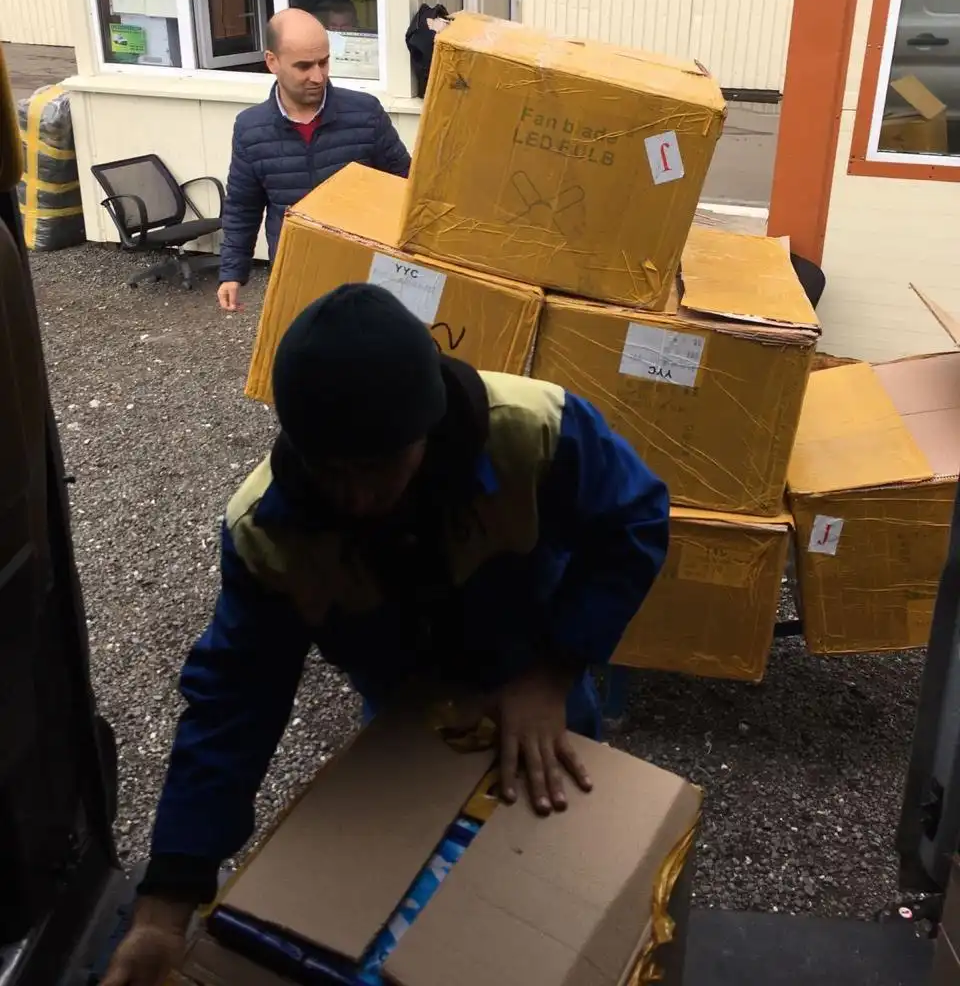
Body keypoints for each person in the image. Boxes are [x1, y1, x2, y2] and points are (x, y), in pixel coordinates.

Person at [103, 285, 670, 986]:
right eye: (333, 473)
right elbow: (234, 702)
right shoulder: (268, 532)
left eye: (379, 467)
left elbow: (635, 520)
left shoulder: (535, 429)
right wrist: (165, 907)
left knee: (563, 885)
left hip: (538, 676)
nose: (359, 498)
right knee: (426, 911)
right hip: (403, 702)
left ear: (428, 427)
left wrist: (552, 673)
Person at [217, 8, 410, 312]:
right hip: (297, 272)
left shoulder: (365, 114)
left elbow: (406, 186)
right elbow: (242, 207)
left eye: (323, 62)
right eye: (304, 66)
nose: (318, 76)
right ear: (272, 61)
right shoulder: (250, 129)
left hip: (367, 275)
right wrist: (232, 273)